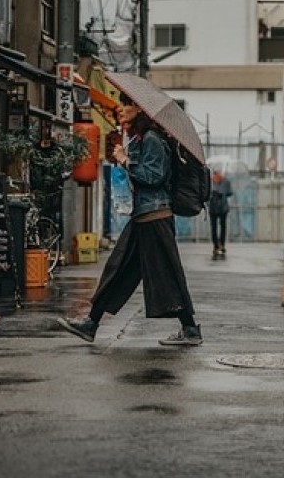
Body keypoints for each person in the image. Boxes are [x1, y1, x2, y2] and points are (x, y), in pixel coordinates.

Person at [57, 98, 202, 346]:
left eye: (126, 106)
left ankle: (190, 329)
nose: (120, 109)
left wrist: (126, 160)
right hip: (143, 216)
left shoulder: (154, 140)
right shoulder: (141, 138)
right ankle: (91, 324)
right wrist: (123, 156)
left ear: (139, 110)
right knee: (118, 269)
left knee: (166, 272)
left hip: (155, 217)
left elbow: (154, 177)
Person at [208, 170, 233, 257]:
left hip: (222, 208)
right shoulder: (210, 182)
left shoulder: (225, 182)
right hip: (214, 207)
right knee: (215, 227)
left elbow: (230, 193)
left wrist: (221, 194)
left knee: (222, 227)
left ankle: (221, 245)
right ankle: (216, 245)